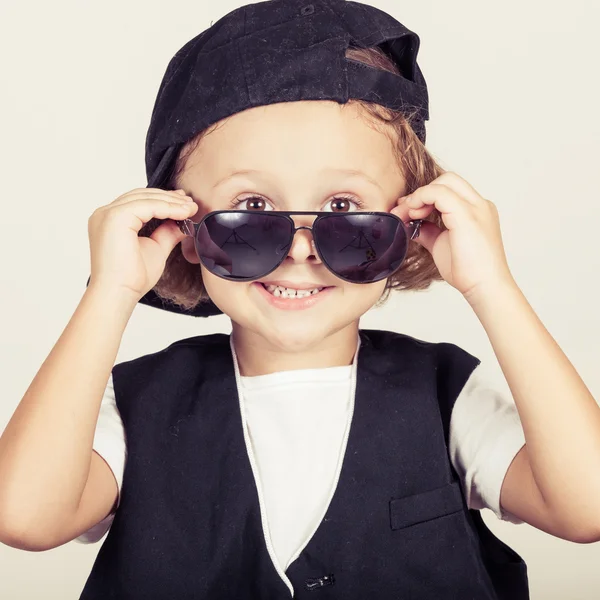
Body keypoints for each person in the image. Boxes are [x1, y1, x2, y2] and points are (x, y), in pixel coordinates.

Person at [1, 1, 599, 599]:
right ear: (181, 223)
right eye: (253, 209)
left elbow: (586, 507)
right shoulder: (130, 408)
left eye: (343, 209)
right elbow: (25, 517)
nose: (299, 250)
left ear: (411, 219)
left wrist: (492, 286)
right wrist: (109, 292)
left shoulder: (447, 394)